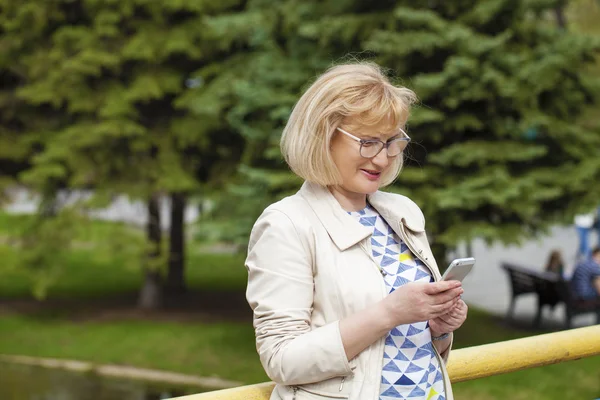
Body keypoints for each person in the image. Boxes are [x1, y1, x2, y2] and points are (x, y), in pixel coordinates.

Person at [245, 63, 466, 400]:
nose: (382, 159)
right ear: (323, 134)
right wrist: (390, 312)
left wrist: (439, 328)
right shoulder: (286, 224)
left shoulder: (402, 211)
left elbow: (414, 349)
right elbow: (282, 359)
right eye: (368, 142)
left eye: (392, 142)